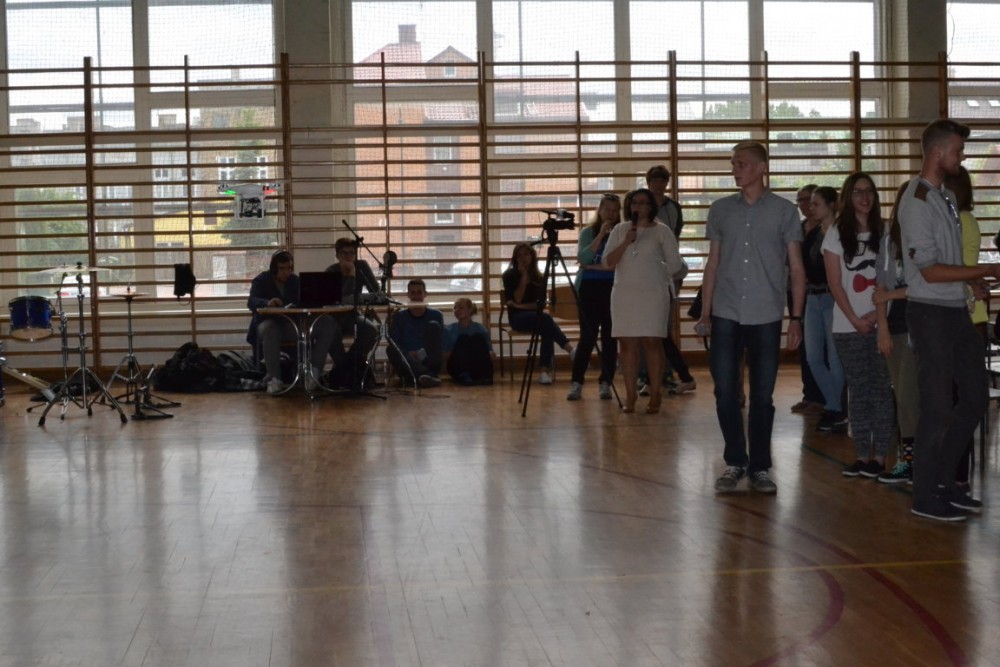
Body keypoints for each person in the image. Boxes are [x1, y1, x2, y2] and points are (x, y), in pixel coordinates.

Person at [899, 119, 994, 521]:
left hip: (955, 311)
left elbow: (949, 262)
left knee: (975, 397)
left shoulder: (946, 198)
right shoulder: (916, 201)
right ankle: (924, 495)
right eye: (958, 150)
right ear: (937, 153)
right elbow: (930, 271)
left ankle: (944, 480)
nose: (962, 157)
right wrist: (983, 271)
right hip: (930, 315)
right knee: (937, 406)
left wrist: (970, 282)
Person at [698, 140, 805, 494]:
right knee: (725, 392)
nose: (735, 169)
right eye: (733, 163)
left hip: (766, 313)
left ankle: (759, 466)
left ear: (762, 168)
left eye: (741, 163)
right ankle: (735, 461)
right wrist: (705, 312)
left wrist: (796, 317)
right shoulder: (720, 210)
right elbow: (713, 264)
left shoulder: (784, 211)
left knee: (762, 396)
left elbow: (797, 268)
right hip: (726, 311)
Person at [822, 173, 895, 478]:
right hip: (846, 325)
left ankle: (880, 456)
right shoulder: (836, 232)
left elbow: (891, 279)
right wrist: (854, 318)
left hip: (881, 323)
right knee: (858, 390)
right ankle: (863, 454)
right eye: (858, 192)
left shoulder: (886, 231)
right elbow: (834, 283)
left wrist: (876, 316)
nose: (865, 198)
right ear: (848, 198)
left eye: (869, 192)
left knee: (881, 389)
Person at [603, 187, 684, 414]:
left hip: (653, 293)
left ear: (652, 206)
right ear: (629, 206)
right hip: (625, 293)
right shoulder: (620, 229)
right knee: (627, 344)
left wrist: (656, 272)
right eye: (635, 202)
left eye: (644, 202)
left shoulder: (662, 231)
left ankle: (655, 392)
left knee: (652, 341)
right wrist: (625, 242)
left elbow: (675, 264)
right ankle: (630, 395)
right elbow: (607, 262)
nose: (640, 207)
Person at [944, 165, 987, 493]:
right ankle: (953, 471)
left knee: (959, 401)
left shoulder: (958, 222)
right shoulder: (965, 220)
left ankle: (955, 472)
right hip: (969, 315)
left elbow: (956, 268)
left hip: (963, 316)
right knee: (958, 400)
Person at [873, 183, 919, 484]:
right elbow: (879, 288)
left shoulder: (925, 237)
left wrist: (890, 295)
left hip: (920, 328)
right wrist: (883, 329)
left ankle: (915, 462)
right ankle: (909, 460)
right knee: (902, 399)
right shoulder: (889, 239)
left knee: (909, 396)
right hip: (895, 326)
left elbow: (924, 285)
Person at [246, 250, 335, 395]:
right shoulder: (261, 280)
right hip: (268, 323)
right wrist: (267, 302)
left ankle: (314, 372)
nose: (286, 272)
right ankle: (275, 378)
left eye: (289, 268)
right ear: (273, 268)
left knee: (327, 323)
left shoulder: (295, 281)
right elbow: (251, 301)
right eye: (282, 268)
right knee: (271, 329)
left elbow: (305, 300)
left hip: (292, 324)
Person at [645, 164, 697, 395]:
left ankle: (669, 375)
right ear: (648, 182)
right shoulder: (642, 204)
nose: (658, 184)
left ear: (667, 183)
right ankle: (655, 375)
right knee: (650, 330)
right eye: (654, 180)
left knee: (661, 329)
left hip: (668, 272)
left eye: (662, 180)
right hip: (646, 272)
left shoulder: (673, 207)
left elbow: (673, 239)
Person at [802, 186, 848, 432]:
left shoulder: (842, 233)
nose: (811, 208)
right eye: (810, 204)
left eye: (816, 203)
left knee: (834, 357)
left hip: (832, 297)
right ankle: (836, 405)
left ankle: (834, 408)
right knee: (813, 357)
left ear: (831, 205)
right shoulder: (811, 234)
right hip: (813, 297)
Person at [567, 193, 620, 401]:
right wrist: (600, 236)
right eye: (607, 210)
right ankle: (576, 382)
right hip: (589, 288)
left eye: (615, 211)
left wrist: (591, 266)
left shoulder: (622, 232)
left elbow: (616, 265)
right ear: (599, 210)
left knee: (610, 338)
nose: (611, 214)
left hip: (613, 288)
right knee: (587, 338)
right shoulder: (588, 232)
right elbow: (583, 257)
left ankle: (606, 382)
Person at [502, 242, 574, 385]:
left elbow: (538, 304)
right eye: (519, 256)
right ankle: (570, 350)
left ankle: (544, 372)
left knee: (546, 327)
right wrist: (523, 278)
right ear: (515, 258)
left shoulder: (539, 277)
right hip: (517, 319)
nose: (523, 258)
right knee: (545, 319)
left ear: (532, 256)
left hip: (536, 317)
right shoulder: (509, 275)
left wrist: (520, 306)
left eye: (526, 254)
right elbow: (517, 298)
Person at [324, 237, 380, 387]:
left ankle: (344, 368)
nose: (348, 256)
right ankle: (344, 369)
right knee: (330, 332)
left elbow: (375, 291)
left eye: (352, 253)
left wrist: (355, 273)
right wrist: (350, 276)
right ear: (337, 255)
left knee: (371, 330)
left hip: (352, 315)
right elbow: (337, 299)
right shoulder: (331, 271)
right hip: (333, 317)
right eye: (344, 253)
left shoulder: (362, 266)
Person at [791, 183, 827, 414]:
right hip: (797, 292)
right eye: (800, 200)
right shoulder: (799, 228)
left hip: (821, 293)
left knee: (821, 347)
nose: (804, 205)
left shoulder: (826, 229)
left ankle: (823, 396)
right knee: (804, 346)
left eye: (808, 200)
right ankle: (809, 393)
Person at [387, 278, 445, 388]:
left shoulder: (436, 315)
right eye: (413, 293)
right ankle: (426, 376)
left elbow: (438, 343)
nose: (416, 296)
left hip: (428, 360)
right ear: (408, 294)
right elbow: (395, 342)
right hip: (407, 361)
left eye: (419, 292)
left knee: (433, 325)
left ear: (425, 294)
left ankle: (420, 377)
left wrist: (420, 353)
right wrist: (408, 354)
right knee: (391, 349)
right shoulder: (400, 316)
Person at [444, 297, 495, 385]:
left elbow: (490, 353)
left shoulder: (480, 329)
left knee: (477, 337)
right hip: (458, 366)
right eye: (455, 308)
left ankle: (485, 376)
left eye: (461, 307)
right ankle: (464, 375)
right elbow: (445, 355)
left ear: (470, 309)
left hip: (476, 365)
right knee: (463, 339)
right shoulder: (449, 329)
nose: (457, 310)